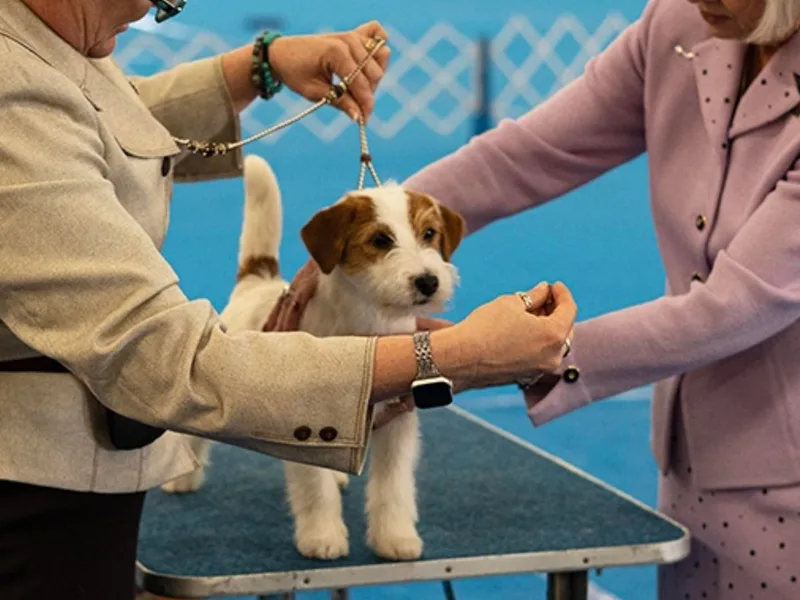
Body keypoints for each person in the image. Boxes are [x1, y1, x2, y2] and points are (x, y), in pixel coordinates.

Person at [0, 1, 578, 599]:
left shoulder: (52, 42)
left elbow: (109, 109)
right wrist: (452, 357)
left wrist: (263, 64)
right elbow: (164, 357)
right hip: (30, 487)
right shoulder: (10, 91)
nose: (156, 10)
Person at [288, 0, 800, 597]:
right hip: (697, 439)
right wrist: (343, 249)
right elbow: (526, 154)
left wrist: (515, 353)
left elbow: (734, 307)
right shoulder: (679, 23)